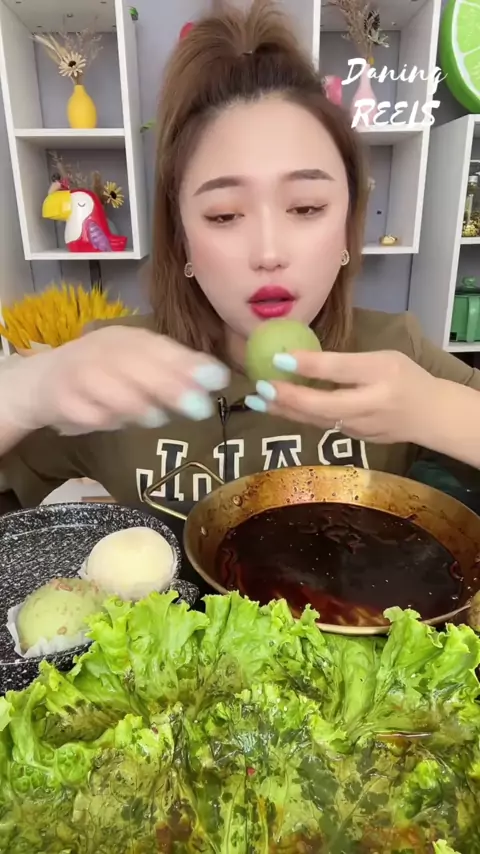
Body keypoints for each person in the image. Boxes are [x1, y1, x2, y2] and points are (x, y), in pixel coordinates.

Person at [1, 0, 480, 509]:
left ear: (347, 226)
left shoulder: (396, 353)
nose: (269, 253)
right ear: (182, 239)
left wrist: (435, 409)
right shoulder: (115, 370)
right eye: (224, 215)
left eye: (307, 207)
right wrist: (31, 389)